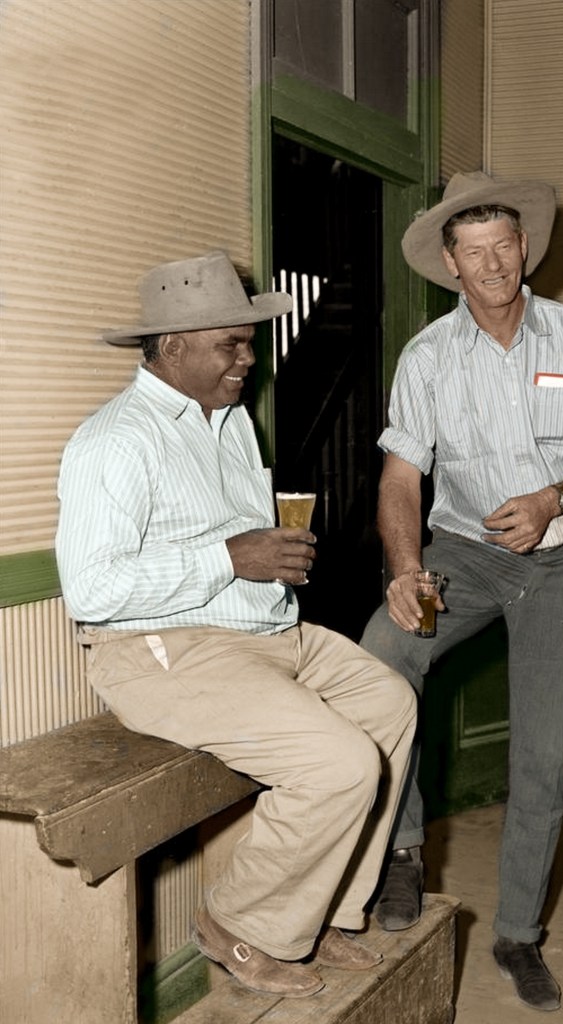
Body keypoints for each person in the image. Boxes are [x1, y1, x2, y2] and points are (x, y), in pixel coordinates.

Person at [55, 250, 417, 999]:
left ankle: (324, 916)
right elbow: (90, 588)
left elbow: (235, 550)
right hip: (160, 651)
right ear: (173, 347)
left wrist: (267, 562)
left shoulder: (231, 421)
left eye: (249, 343)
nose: (248, 360)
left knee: (390, 705)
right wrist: (229, 557)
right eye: (233, 344)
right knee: (339, 762)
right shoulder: (113, 442)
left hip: (260, 636)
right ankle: (239, 923)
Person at [361, 172, 563, 1012]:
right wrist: (407, 571)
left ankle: (518, 934)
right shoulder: (427, 357)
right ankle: (404, 850)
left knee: (540, 758)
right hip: (464, 554)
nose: (490, 265)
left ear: (525, 248)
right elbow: (401, 478)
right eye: (471, 252)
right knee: (381, 657)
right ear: (450, 264)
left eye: (503, 246)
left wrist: (557, 497)